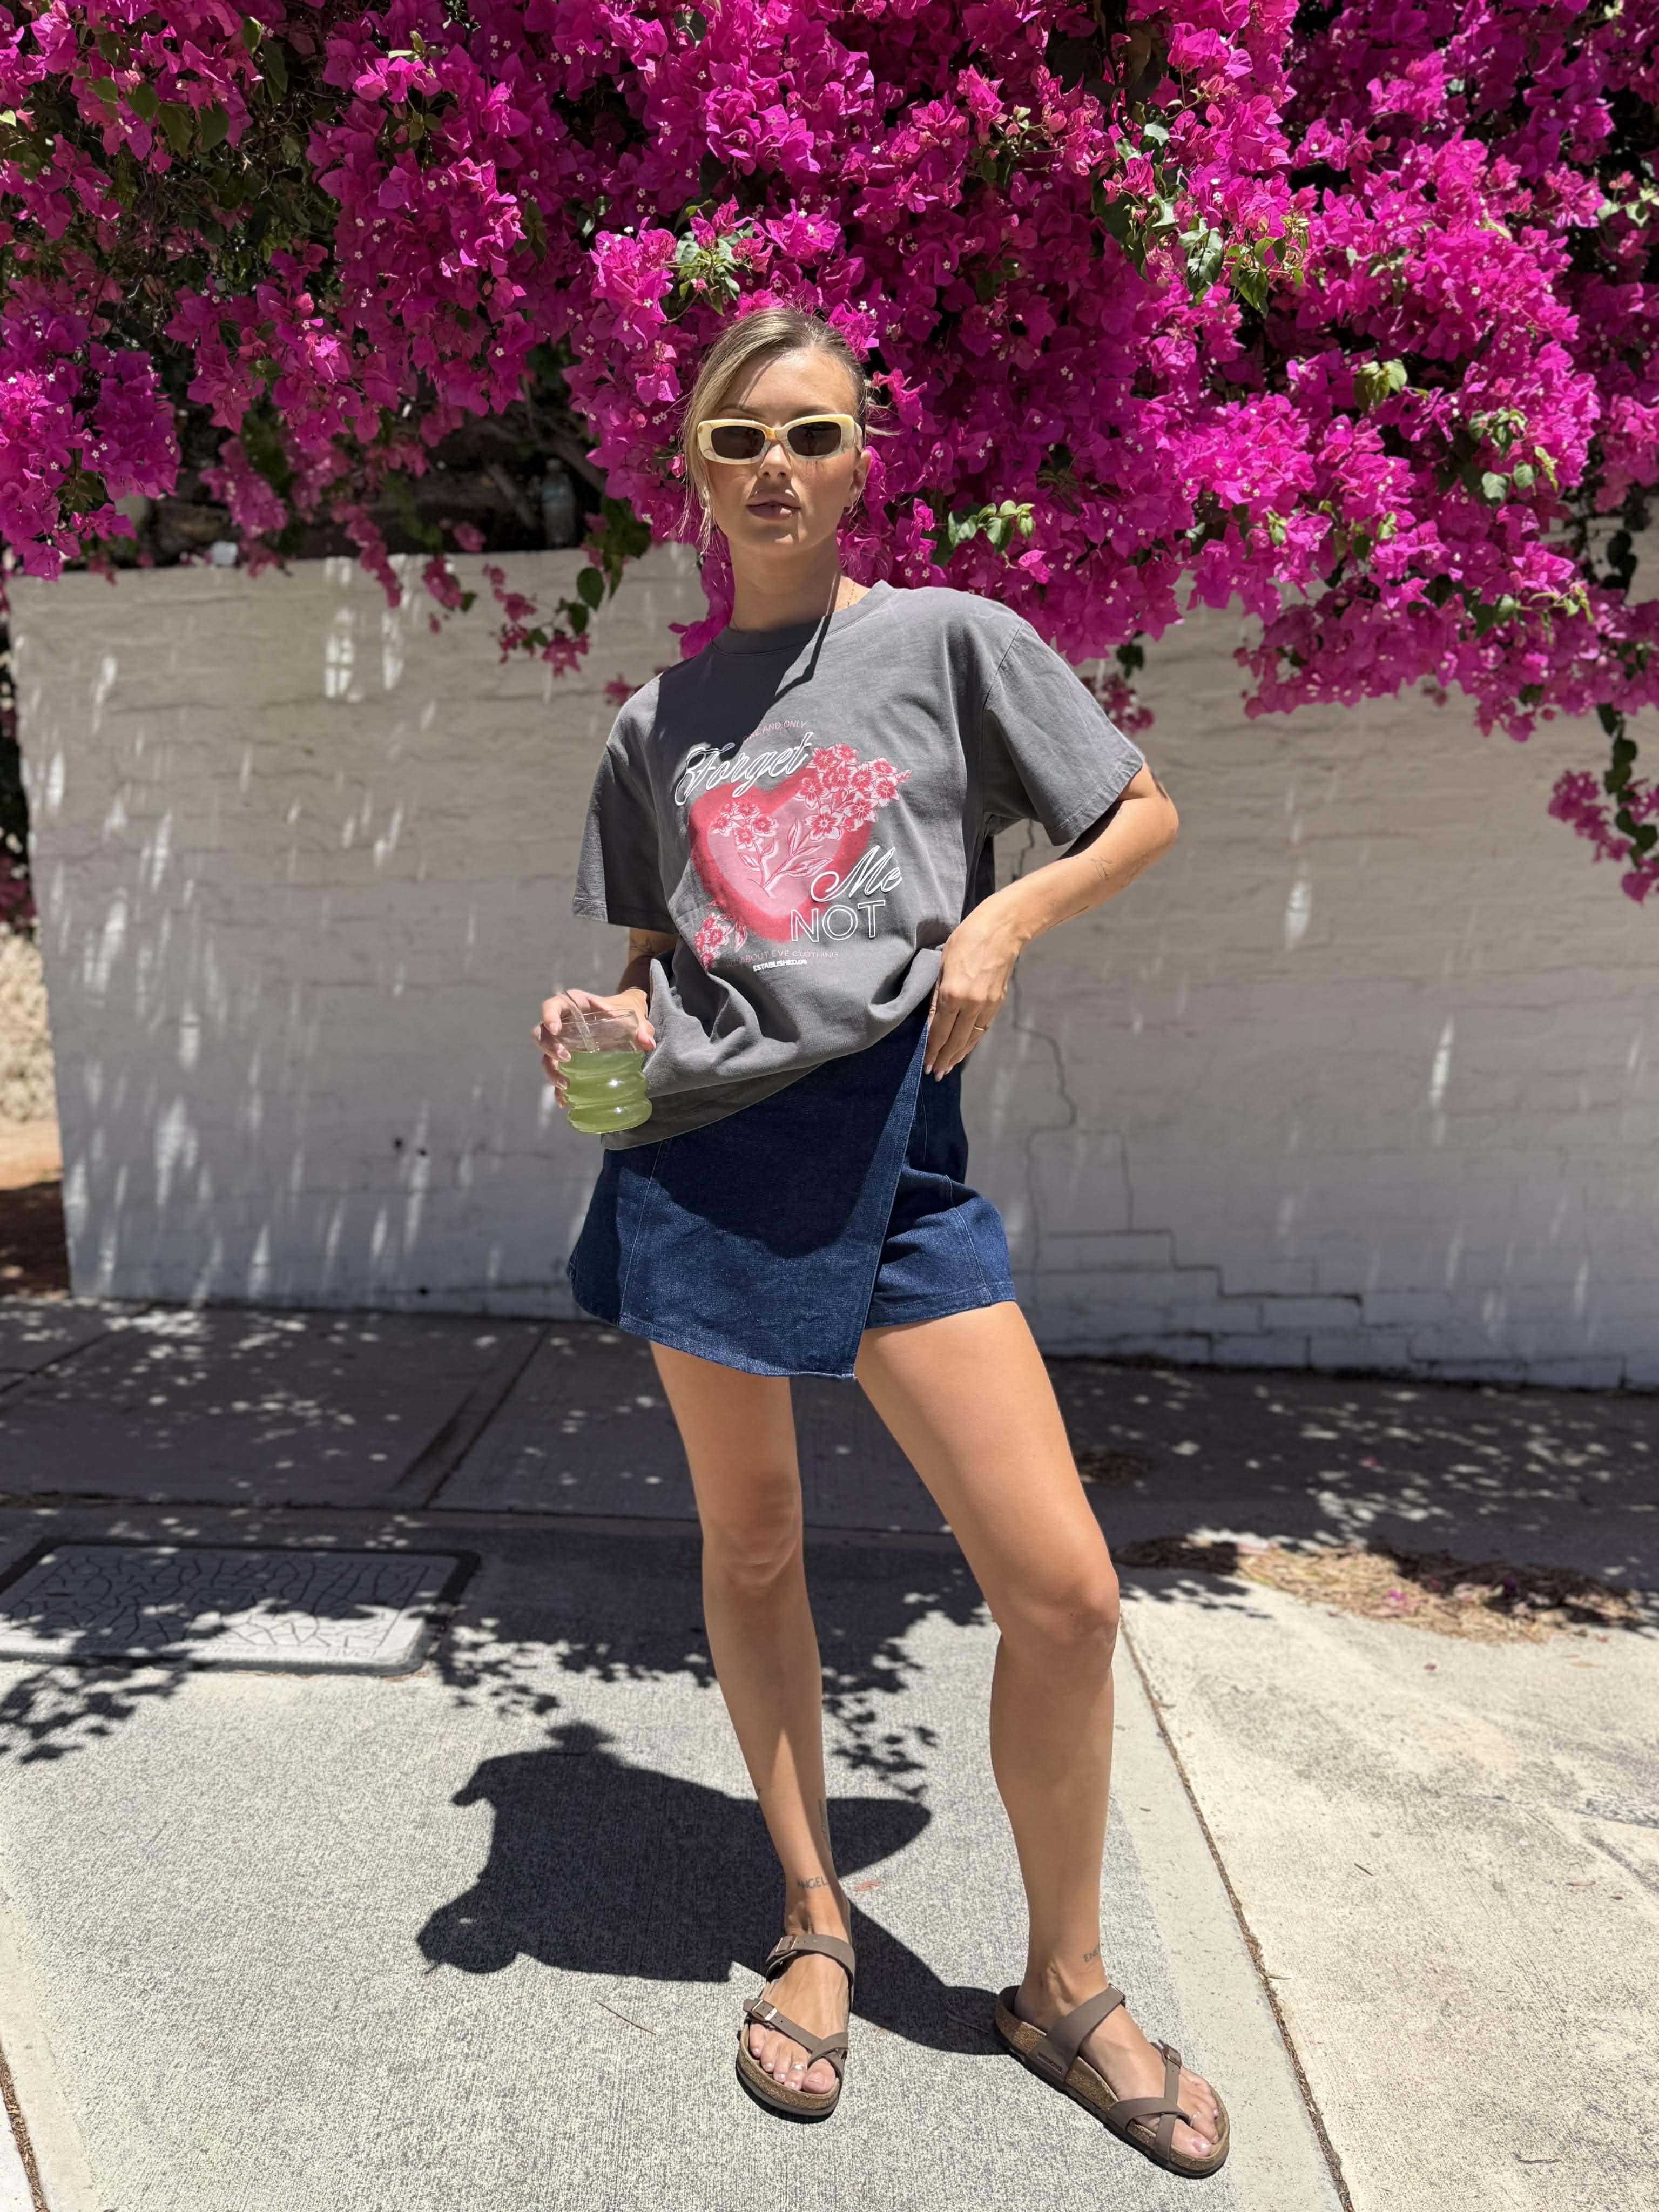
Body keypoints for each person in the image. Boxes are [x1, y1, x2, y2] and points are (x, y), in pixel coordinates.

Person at [535, 305, 1225, 2178]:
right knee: (754, 1544)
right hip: (696, 1162)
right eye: (738, 439)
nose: (776, 468)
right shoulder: (652, 728)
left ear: (862, 458)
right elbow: (656, 971)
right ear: (693, 473)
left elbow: (1141, 810)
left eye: (812, 434)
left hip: (899, 1159)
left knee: (1063, 1593)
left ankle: (1063, 1983)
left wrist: (1000, 924)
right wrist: (599, 1038)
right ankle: (813, 1921)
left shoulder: (948, 641)